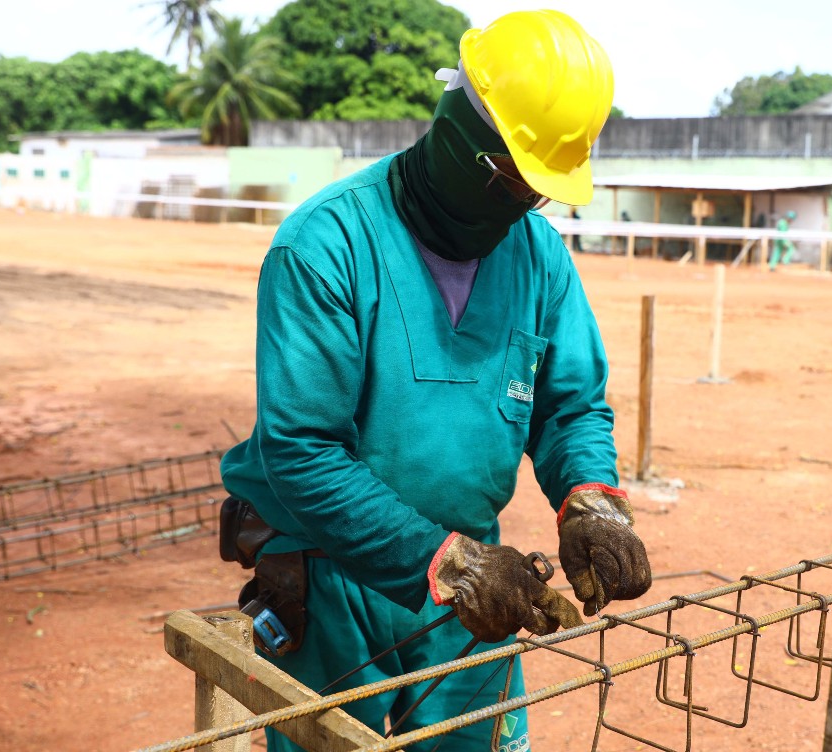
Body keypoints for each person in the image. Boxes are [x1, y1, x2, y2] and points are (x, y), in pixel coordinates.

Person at [217, 10, 652, 751]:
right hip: (331, 570)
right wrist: (444, 564)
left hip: (478, 577)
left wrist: (590, 501)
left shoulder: (539, 256)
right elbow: (302, 451)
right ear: (458, 132)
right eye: (507, 176)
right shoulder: (328, 244)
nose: (520, 201)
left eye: (536, 189)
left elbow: (570, 405)